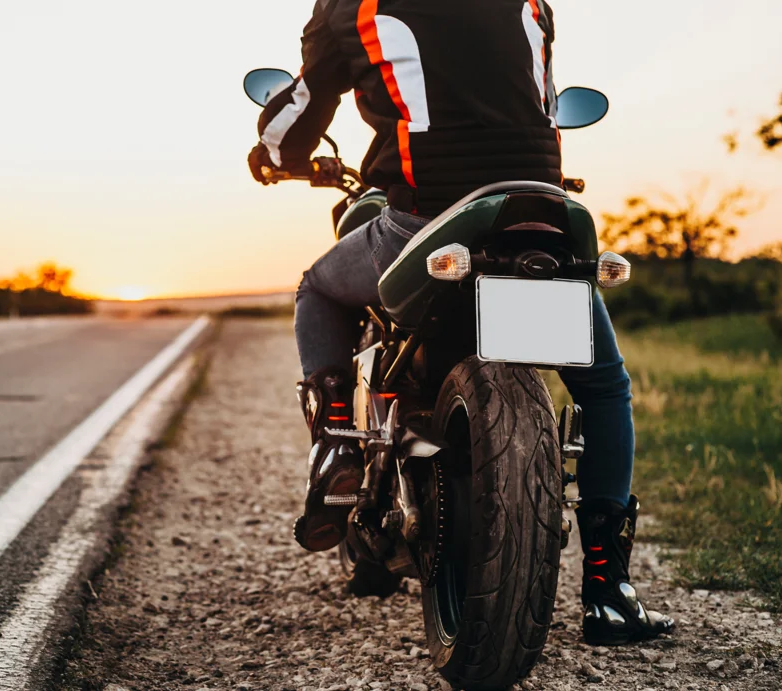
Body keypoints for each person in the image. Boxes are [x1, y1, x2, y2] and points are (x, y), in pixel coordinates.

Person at [246, 0, 674, 646]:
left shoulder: (348, 8)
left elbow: (296, 118)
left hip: (426, 217)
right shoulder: (530, 5)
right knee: (603, 386)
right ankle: (608, 590)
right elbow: (537, 97)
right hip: (538, 212)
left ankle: (335, 441)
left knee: (318, 289)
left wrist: (272, 152)